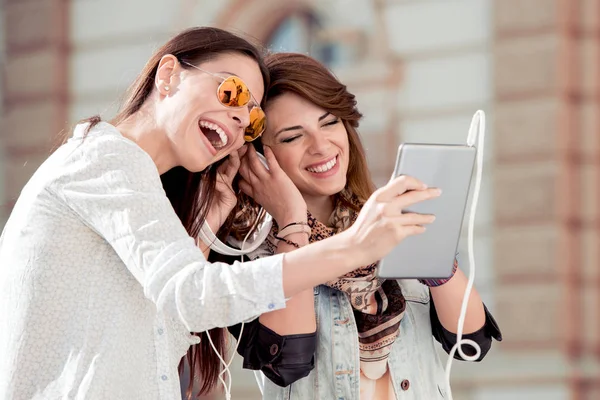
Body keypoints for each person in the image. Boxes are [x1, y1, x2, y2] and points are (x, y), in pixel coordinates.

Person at [0, 28, 442, 400]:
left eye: (250, 120)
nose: (236, 120)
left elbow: (159, 332)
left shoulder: (132, 180)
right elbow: (194, 297)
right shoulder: (104, 160)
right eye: (231, 92)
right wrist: (353, 245)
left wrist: (207, 226)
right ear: (169, 75)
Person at [224, 53, 502, 400]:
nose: (322, 146)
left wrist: (434, 255)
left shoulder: (388, 220)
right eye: (293, 137)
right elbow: (287, 365)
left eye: (328, 123)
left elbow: (471, 342)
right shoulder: (245, 256)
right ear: (258, 157)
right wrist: (291, 221)